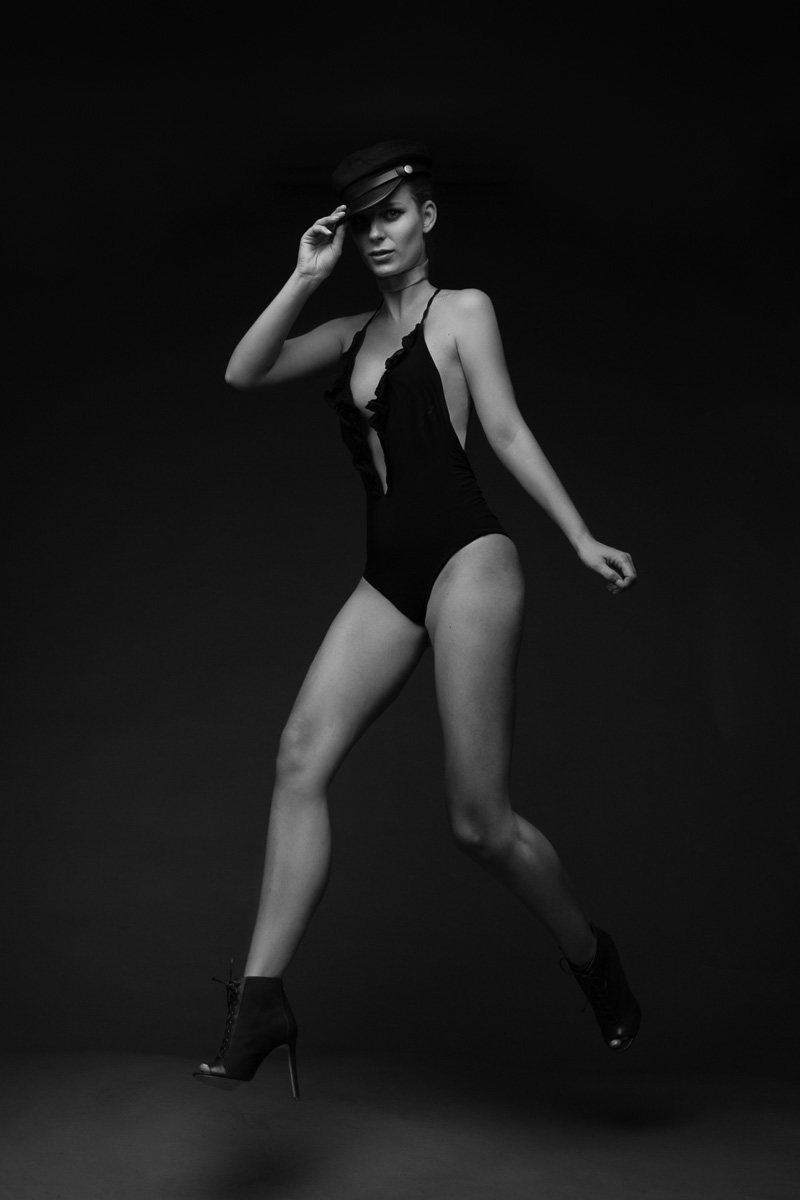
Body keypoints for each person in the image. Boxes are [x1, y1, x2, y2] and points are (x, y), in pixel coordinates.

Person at [193, 140, 641, 1097]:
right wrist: (304, 275)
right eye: (362, 224)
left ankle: (589, 954)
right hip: (388, 574)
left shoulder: (463, 310)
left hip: (468, 557)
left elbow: (506, 428)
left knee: (478, 824)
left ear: (427, 218)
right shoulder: (348, 332)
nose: (376, 235)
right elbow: (241, 371)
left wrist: (579, 535)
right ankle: (261, 1001)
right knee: (298, 754)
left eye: (391, 215)